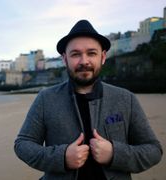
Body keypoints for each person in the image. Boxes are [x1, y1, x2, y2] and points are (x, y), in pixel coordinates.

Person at [14, 20, 163, 180]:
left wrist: (114, 154)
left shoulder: (126, 99)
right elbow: (23, 144)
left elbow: (153, 150)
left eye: (91, 53)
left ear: (103, 57)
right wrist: (62, 157)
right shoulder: (46, 98)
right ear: (65, 59)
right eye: (76, 54)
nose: (84, 61)